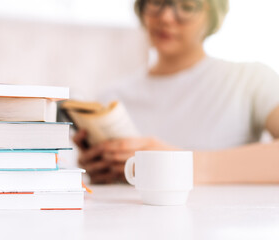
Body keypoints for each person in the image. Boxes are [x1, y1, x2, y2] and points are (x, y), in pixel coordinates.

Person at [74, 0, 279, 184]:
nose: (166, 17)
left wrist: (178, 165)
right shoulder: (110, 99)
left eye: (187, 6)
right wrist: (97, 172)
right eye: (156, 2)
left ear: (213, 14)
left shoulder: (251, 80)